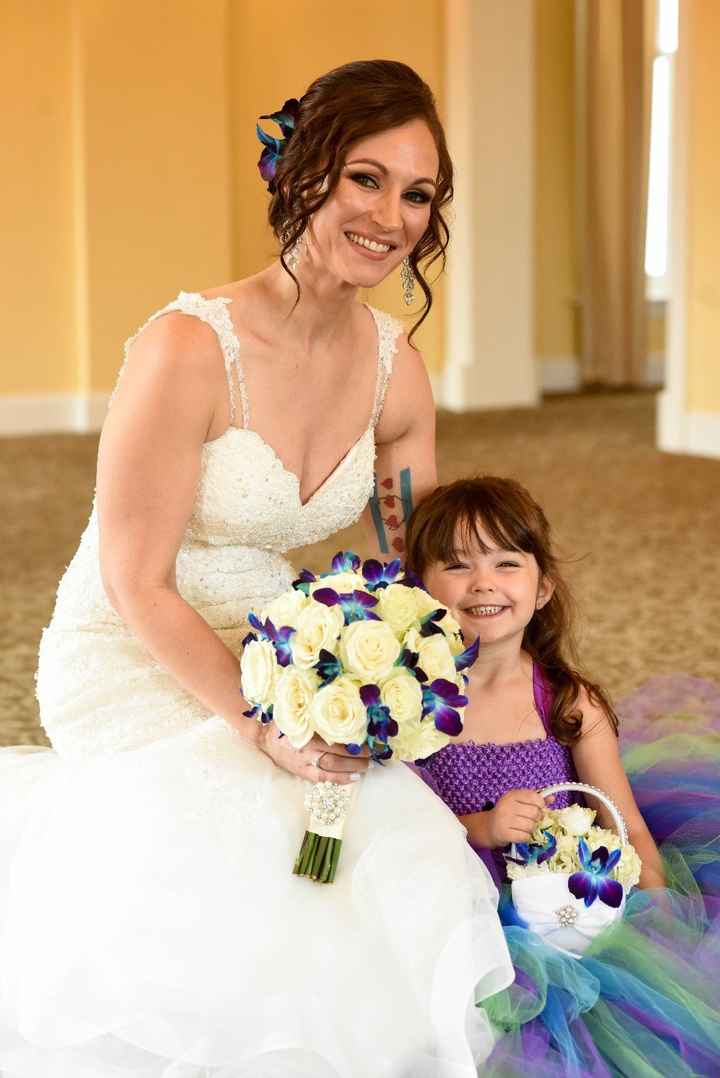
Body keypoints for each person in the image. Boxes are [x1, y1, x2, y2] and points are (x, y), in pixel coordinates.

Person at [0, 63, 512, 1078]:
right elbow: (135, 575)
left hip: (285, 635)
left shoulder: (394, 368)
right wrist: (263, 724)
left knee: (378, 820)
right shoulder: (188, 348)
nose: (393, 216)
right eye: (367, 179)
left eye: (418, 194)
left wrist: (372, 683)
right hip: (131, 640)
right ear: (306, 172)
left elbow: (395, 568)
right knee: (240, 829)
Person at [406, 475, 720, 1076]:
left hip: (564, 918)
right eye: (456, 564)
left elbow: (621, 821)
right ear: (420, 586)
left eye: (506, 562)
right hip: (455, 916)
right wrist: (480, 826)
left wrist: (658, 917)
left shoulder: (567, 703)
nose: (484, 583)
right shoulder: (415, 702)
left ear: (543, 586)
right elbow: (397, 829)